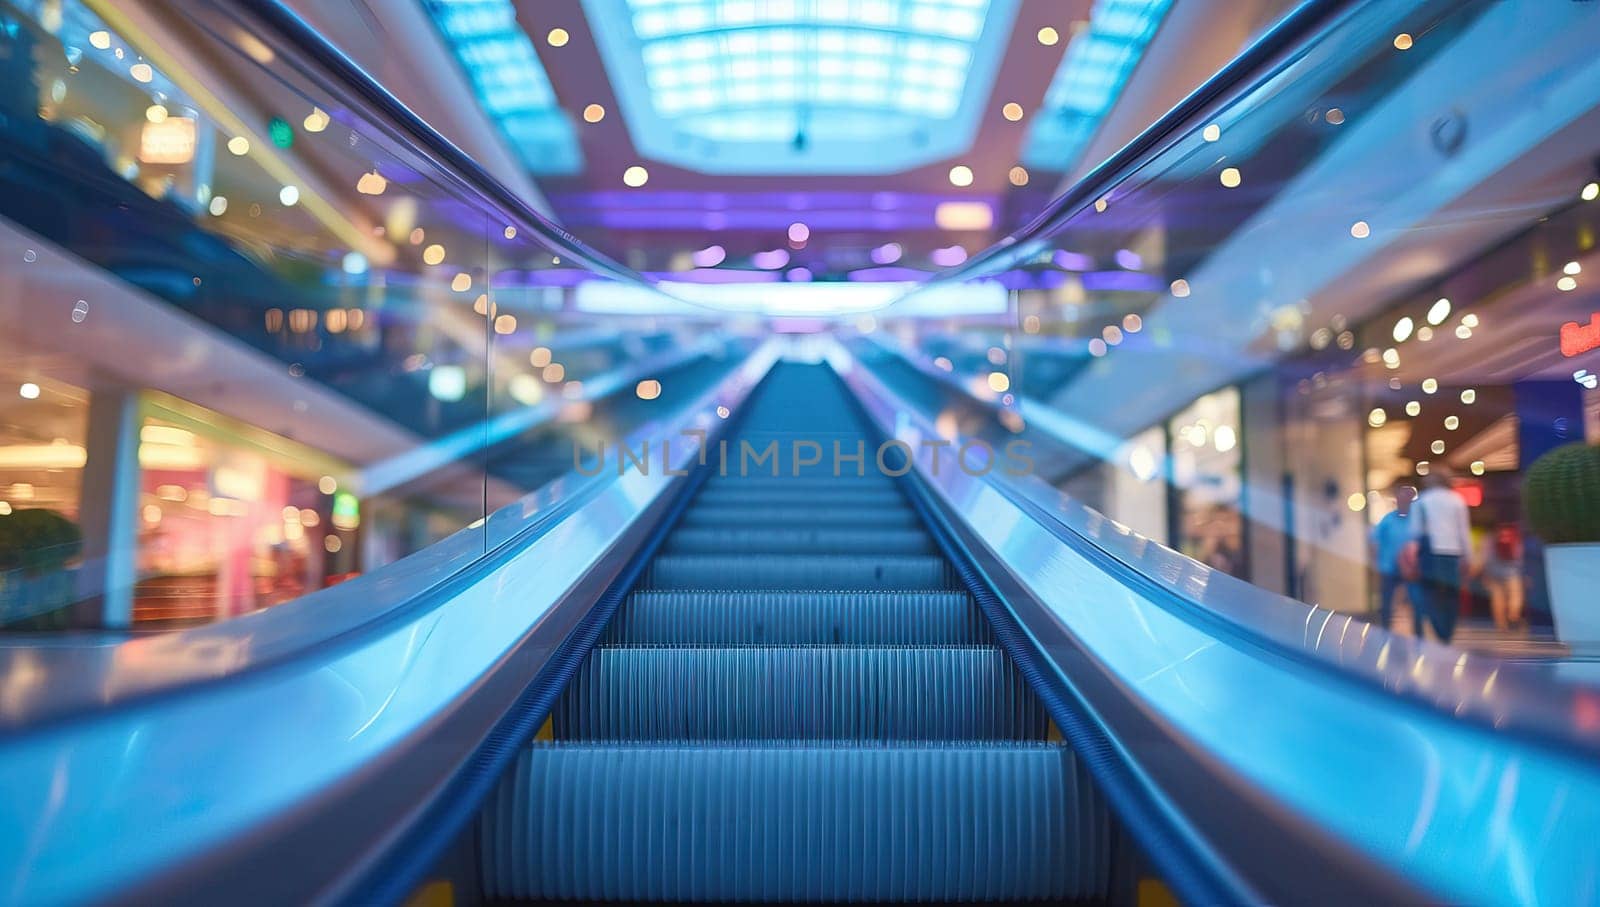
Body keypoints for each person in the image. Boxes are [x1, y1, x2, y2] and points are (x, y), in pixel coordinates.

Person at [1403, 466, 1473, 642]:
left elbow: (1415, 533)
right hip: (1452, 553)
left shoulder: (1421, 502)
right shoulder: (1457, 500)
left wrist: (1411, 558)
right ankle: (1447, 633)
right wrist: (1468, 556)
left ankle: (1439, 629)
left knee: (1431, 593)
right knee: (1451, 594)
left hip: (1430, 554)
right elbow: (1464, 531)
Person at [1369, 484, 1418, 634]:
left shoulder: (1416, 521)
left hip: (1411, 569)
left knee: (1415, 603)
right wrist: (1376, 562)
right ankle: (1385, 631)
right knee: (1387, 602)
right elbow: (1374, 541)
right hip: (1388, 567)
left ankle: (1417, 632)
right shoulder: (1388, 520)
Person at [1479, 522, 1525, 631]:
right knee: (1516, 595)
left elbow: (1484, 557)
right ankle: (1513, 615)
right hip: (1512, 572)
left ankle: (1501, 624)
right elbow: (1519, 557)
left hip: (1493, 572)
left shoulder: (1489, 539)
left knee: (1497, 598)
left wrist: (1484, 573)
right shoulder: (1515, 537)